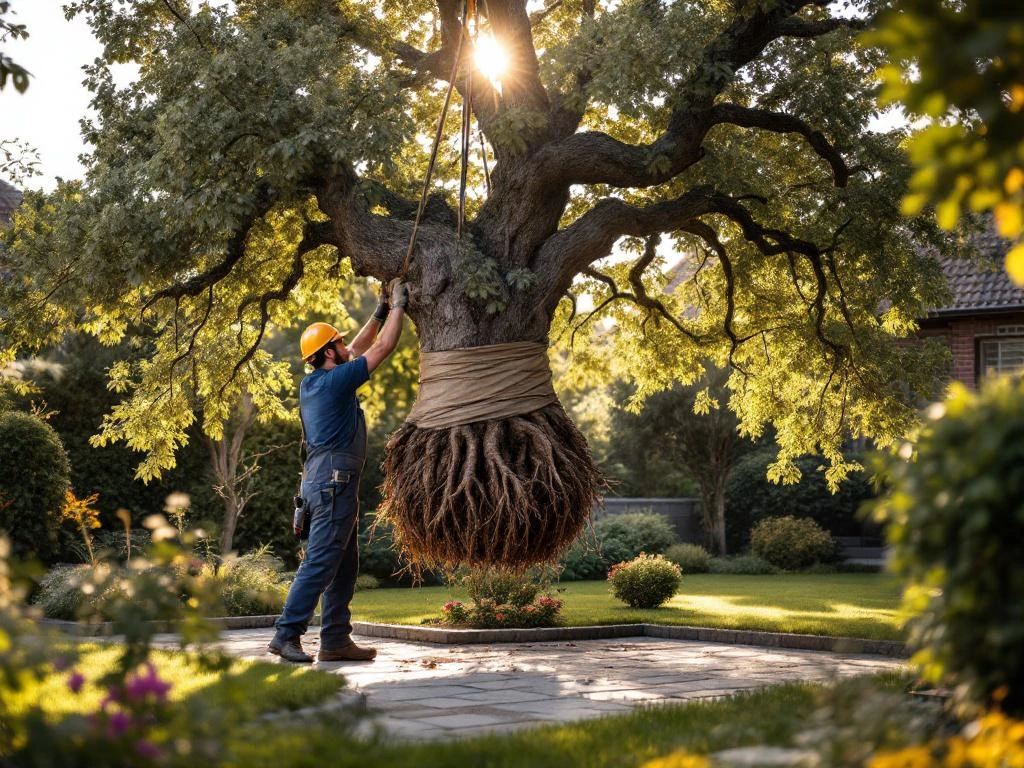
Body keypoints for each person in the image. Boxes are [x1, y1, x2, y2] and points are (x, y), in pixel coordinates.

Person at [268, 279, 409, 663]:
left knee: (343, 566)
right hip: (333, 483)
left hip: (323, 482)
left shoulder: (316, 382)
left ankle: (334, 640)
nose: (346, 347)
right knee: (320, 562)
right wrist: (399, 306)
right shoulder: (334, 384)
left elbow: (359, 347)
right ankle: (286, 634)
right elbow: (381, 348)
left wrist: (378, 311)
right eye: (339, 344)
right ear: (329, 352)